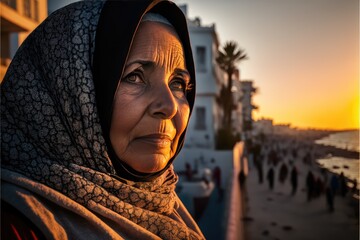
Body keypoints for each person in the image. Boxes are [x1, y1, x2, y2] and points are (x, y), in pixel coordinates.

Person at [0, 0, 205, 239]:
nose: (169, 106)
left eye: (178, 83)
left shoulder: (165, 206)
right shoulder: (17, 226)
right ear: (69, 92)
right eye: (135, 76)